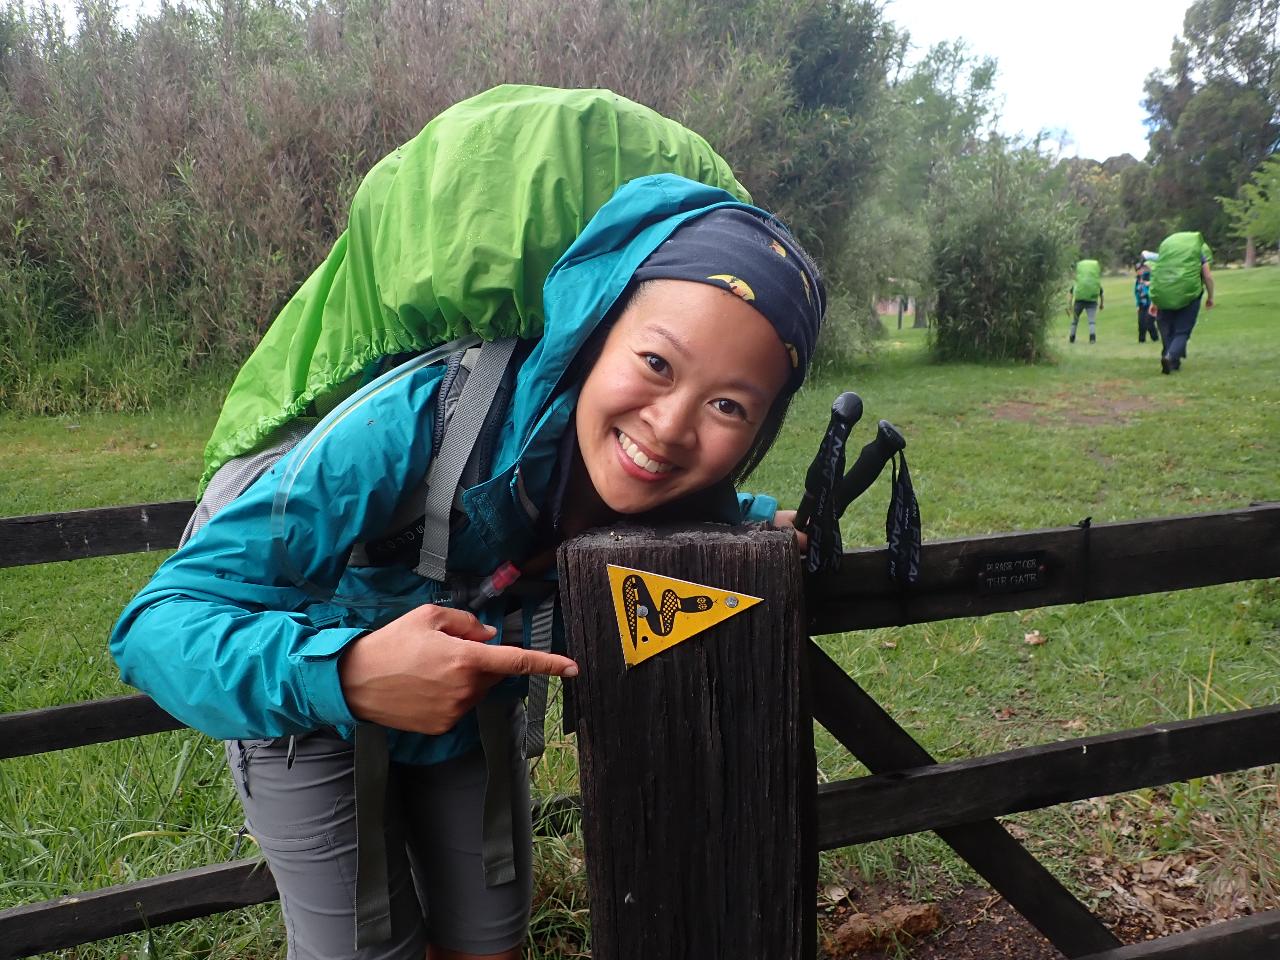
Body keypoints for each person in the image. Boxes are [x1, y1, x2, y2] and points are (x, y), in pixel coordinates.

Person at [109, 86, 824, 960]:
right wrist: (354, 674)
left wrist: (751, 533)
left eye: (727, 405)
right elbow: (154, 627)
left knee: (491, 944)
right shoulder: (419, 422)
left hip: (464, 714)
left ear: (760, 431)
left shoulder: (680, 491)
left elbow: (651, 499)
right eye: (653, 362)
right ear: (592, 331)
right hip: (302, 704)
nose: (671, 427)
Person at [1148, 231, 1214, 374]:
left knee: (1167, 329)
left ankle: (1170, 358)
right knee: (1182, 331)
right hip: (1190, 298)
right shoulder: (1198, 256)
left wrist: (1154, 302)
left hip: (1165, 296)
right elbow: (1208, 276)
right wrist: (1210, 297)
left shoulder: (1166, 258)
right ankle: (1171, 357)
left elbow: (1157, 278)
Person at [1068, 258, 1104, 343]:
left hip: (1079, 301)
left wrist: (1069, 306)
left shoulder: (1078, 282)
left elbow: (1071, 293)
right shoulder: (1095, 283)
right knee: (1091, 321)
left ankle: (1072, 337)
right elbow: (1101, 293)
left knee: (1075, 320)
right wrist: (1101, 304)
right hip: (1092, 301)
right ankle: (1092, 338)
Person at [1134, 259, 1158, 344]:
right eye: (1137, 270)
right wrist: (1137, 305)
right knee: (1141, 323)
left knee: (1149, 322)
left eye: (1141, 269)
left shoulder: (1148, 276)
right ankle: (1141, 340)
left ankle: (1155, 338)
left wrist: (1149, 283)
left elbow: (1156, 279)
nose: (1139, 271)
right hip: (1141, 304)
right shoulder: (1137, 280)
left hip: (1149, 302)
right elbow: (1136, 293)